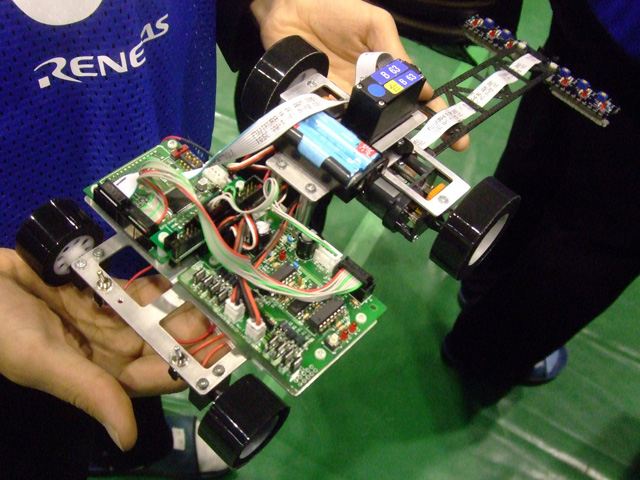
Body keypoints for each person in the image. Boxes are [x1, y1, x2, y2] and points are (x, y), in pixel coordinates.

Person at [0, 1, 463, 478]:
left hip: (167, 176)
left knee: (141, 381)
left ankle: (145, 450)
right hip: (22, 262)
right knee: (43, 421)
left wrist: (267, 6)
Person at [441, 0, 640, 386]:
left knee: (543, 140)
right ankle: (482, 352)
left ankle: (482, 281)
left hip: (595, 13)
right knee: (603, 237)